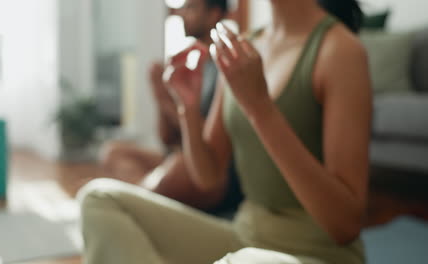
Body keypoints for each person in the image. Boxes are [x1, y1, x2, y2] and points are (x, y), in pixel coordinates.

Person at [78, 0, 372, 263]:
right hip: (242, 236)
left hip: (317, 254)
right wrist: (188, 108)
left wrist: (260, 109)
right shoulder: (246, 46)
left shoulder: (341, 51)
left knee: (245, 261)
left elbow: (344, 226)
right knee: (99, 200)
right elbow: (208, 176)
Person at [100, 0, 243, 212]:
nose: (181, 14)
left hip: (213, 170)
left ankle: (131, 203)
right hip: (181, 158)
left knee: (177, 165)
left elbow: (211, 143)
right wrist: (160, 93)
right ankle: (142, 201)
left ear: (214, 14)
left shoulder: (228, 65)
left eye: (191, 8)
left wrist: (171, 102)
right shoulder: (193, 64)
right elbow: (167, 138)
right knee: (112, 152)